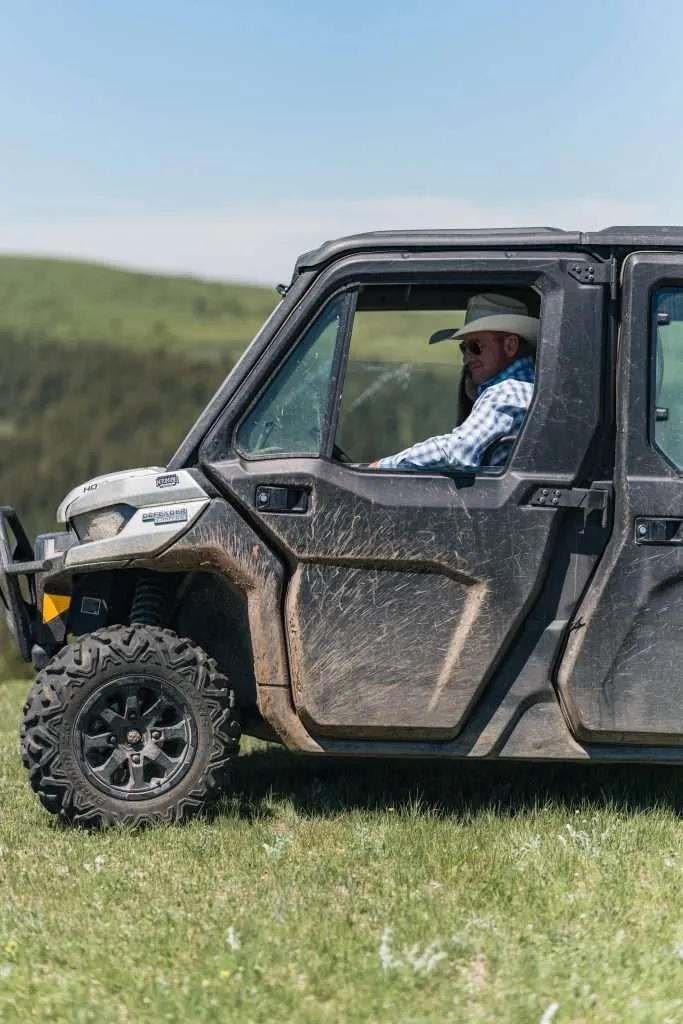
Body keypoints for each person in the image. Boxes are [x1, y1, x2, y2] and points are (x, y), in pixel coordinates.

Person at [370, 293, 538, 471]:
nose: (466, 358)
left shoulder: (508, 391)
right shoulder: (524, 386)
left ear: (510, 345)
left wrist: (381, 467)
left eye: (475, 346)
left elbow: (457, 451)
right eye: (463, 347)